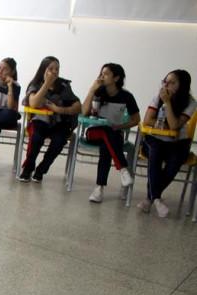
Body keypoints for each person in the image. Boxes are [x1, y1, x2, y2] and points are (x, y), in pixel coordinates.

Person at [136, 70, 196, 218]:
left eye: (172, 82)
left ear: (182, 86)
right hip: (155, 139)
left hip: (178, 142)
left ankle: (150, 198)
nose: (166, 85)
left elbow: (175, 125)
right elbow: (147, 120)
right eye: (165, 81)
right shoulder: (158, 97)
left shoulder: (191, 102)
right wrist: (161, 124)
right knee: (155, 153)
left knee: (175, 161)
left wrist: (168, 102)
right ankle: (156, 199)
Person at [80, 63, 140, 203]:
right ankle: (123, 169)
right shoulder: (98, 92)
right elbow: (84, 112)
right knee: (107, 134)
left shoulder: (126, 96)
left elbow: (136, 119)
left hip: (113, 134)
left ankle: (99, 189)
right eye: (101, 73)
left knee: (106, 146)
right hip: (93, 133)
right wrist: (91, 91)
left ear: (116, 78)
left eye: (106, 74)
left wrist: (120, 126)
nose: (102, 76)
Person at [19, 56, 81, 183]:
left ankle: (41, 169)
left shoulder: (63, 85)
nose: (54, 72)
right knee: (36, 138)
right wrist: (47, 84)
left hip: (59, 122)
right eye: (51, 69)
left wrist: (60, 110)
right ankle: (28, 168)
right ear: (43, 70)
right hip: (40, 120)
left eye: (57, 69)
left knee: (59, 141)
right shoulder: (35, 84)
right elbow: (34, 103)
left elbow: (78, 106)